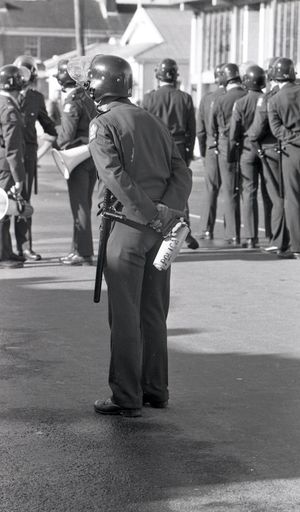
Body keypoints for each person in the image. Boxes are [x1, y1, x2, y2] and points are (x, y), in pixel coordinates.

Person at [80, 54, 192, 417]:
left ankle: (126, 395)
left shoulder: (102, 124)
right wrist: (166, 211)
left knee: (125, 316)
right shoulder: (152, 120)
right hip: (161, 229)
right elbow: (182, 171)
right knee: (154, 313)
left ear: (97, 87)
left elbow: (114, 177)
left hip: (128, 227)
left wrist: (147, 213)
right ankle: (156, 389)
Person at [142, 58, 198, 249]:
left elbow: (143, 127)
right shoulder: (185, 98)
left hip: (156, 147)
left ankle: (159, 229)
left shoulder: (149, 98)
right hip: (180, 146)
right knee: (180, 189)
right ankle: (185, 230)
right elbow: (192, 128)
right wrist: (188, 153)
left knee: (157, 188)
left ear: (158, 76)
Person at [13, 55, 57, 261]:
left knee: (24, 202)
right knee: (3, 202)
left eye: (25, 72)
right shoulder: (4, 97)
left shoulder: (37, 98)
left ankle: (24, 247)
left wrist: (39, 154)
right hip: (6, 158)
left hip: (28, 156)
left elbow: (50, 128)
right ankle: (4, 249)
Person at [55, 59, 97, 265]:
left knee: (79, 206)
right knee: (84, 205)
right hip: (92, 158)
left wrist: (57, 140)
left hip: (77, 159)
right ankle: (77, 248)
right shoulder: (91, 97)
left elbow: (66, 136)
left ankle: (84, 252)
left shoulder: (72, 101)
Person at [248, 58, 290, 254]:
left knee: (277, 196)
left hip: (272, 150)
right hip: (290, 147)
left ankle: (278, 239)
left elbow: (257, 128)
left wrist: (251, 138)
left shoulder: (269, 98)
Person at [228, 64, 266, 248]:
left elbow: (234, 131)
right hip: (265, 149)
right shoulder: (267, 99)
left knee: (249, 193)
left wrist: (232, 151)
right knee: (268, 193)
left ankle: (251, 237)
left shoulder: (241, 103)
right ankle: (274, 235)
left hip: (246, 150)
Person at [211, 63, 247, 245]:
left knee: (230, 191)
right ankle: (250, 234)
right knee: (249, 192)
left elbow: (212, 127)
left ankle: (233, 233)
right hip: (248, 144)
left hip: (226, 145)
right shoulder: (248, 95)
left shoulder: (221, 100)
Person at [268, 57, 300, 259]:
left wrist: (293, 138)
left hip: (291, 151)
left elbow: (276, 128)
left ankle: (296, 246)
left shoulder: (275, 99)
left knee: (293, 199)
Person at [0, 64, 27, 269]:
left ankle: (7, 251)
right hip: (5, 166)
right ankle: (3, 255)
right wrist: (19, 178)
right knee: (3, 209)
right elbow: (13, 148)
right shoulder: (9, 109)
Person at [196, 63, 225, 239]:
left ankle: (207, 228)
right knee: (232, 191)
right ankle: (232, 230)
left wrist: (203, 152)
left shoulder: (207, 99)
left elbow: (200, 130)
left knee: (210, 189)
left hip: (211, 147)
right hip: (231, 147)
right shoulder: (237, 96)